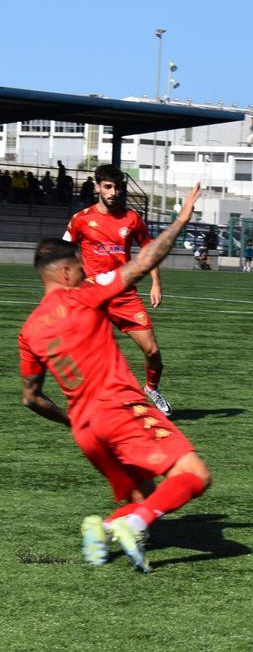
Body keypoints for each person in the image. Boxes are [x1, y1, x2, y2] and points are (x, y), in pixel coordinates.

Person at [19, 183, 210, 573]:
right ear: (68, 270)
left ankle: (105, 530)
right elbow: (143, 262)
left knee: (145, 493)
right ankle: (131, 523)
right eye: (81, 267)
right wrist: (181, 220)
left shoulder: (29, 331)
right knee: (194, 475)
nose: (85, 271)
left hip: (87, 430)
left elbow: (31, 398)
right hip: (120, 408)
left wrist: (73, 419)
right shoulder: (84, 294)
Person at [63, 164, 177, 416]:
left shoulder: (132, 219)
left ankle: (151, 389)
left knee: (153, 351)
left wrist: (156, 283)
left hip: (124, 295)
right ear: (97, 187)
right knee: (88, 354)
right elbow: (61, 253)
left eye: (117, 187)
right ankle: (86, 402)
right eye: (108, 187)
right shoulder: (81, 219)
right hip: (93, 296)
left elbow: (150, 251)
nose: (113, 192)